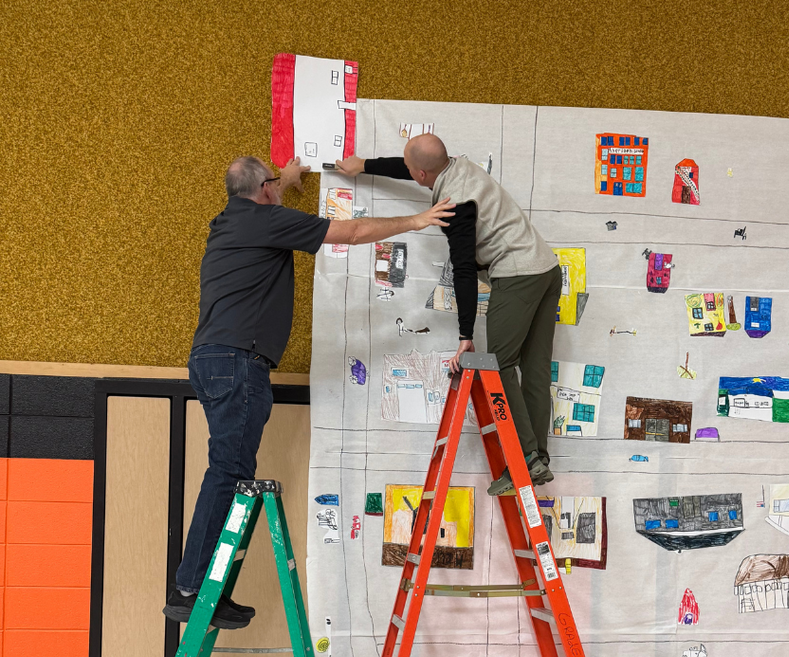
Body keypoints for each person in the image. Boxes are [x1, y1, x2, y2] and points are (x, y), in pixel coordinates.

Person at [164, 155, 454, 629]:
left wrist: (289, 179)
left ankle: (198, 587)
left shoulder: (230, 220)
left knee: (230, 469)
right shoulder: (265, 218)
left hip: (215, 360)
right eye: (274, 188)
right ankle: (192, 589)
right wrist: (418, 218)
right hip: (238, 362)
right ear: (265, 191)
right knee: (228, 472)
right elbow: (354, 233)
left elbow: (260, 192)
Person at [337, 134, 560, 496]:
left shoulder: (455, 206)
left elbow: (464, 272)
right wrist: (363, 165)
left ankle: (526, 461)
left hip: (517, 275)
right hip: (547, 269)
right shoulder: (458, 164)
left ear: (422, 174)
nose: (409, 173)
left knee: (500, 365)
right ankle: (537, 461)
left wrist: (464, 335)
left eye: (412, 171)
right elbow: (413, 164)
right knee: (534, 369)